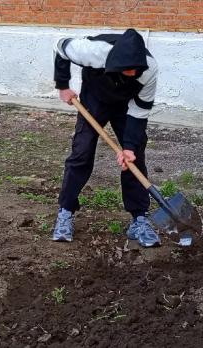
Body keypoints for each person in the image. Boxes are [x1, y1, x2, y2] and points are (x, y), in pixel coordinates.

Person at [50, 28, 161, 247]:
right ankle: (65, 212)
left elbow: (140, 111)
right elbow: (60, 46)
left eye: (134, 71)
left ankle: (139, 218)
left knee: (134, 157)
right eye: (125, 70)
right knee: (81, 152)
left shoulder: (149, 69)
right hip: (95, 100)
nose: (130, 74)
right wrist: (62, 85)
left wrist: (128, 147)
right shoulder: (93, 51)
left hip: (127, 106)